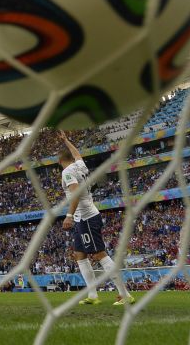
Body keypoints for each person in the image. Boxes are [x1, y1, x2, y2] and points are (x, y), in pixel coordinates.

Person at [58, 130, 134, 306]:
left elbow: (75, 193)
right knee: (80, 255)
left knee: (100, 254)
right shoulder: (80, 165)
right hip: (82, 218)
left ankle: (125, 294)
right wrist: (66, 140)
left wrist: (68, 216)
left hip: (85, 217)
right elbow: (77, 154)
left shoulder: (67, 172)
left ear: (59, 161)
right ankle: (92, 295)